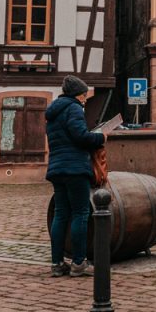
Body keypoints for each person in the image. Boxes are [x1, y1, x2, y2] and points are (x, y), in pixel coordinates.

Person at [45, 75, 105, 276]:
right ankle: (79, 263)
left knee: (61, 214)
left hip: (57, 168)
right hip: (75, 169)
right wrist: (101, 137)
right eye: (84, 94)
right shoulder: (74, 109)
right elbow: (81, 136)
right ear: (78, 94)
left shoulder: (53, 112)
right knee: (80, 213)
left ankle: (57, 263)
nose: (85, 98)